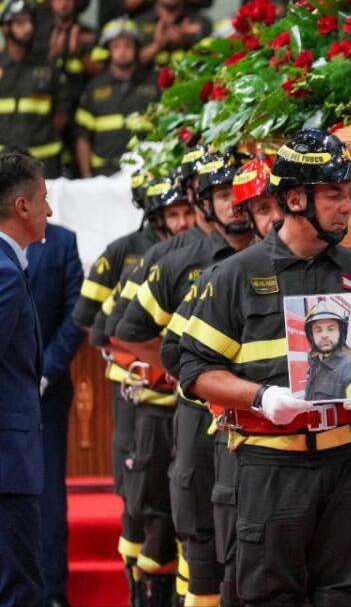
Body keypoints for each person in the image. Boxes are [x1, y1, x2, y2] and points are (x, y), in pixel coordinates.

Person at [177, 129, 351, 605]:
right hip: (271, 466)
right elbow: (194, 370)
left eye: (349, 194)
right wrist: (261, 397)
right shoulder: (234, 276)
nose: (348, 206)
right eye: (334, 195)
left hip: (350, 465)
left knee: (347, 595)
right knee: (267, 596)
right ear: (294, 198)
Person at [116, 151, 255, 607]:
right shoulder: (177, 260)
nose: (235, 204)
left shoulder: (274, 255)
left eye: (240, 194)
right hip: (198, 420)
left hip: (261, 422)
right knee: (198, 534)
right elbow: (130, 331)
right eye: (222, 195)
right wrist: (193, 375)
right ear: (204, 202)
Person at [72, 173, 190, 598]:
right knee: (141, 501)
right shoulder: (132, 256)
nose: (181, 222)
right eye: (172, 214)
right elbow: (98, 323)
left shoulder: (205, 258)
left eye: (187, 212)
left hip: (190, 404)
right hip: (141, 397)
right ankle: (141, 588)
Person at [0, 150, 52, 606]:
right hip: (6, 466)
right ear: (22, 207)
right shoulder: (4, 272)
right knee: (19, 589)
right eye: (44, 199)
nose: (49, 211)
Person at [27, 213, 80, 607]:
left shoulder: (62, 242)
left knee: (47, 492)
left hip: (48, 389)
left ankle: (51, 591)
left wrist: (45, 371)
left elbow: (76, 314)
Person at [74, 19, 157, 177]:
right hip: (104, 175)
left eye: (127, 45)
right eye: (116, 46)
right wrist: (86, 175)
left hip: (145, 171)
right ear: (108, 50)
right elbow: (82, 136)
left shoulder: (153, 85)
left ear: (136, 48)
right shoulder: (95, 88)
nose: (122, 51)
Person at [0, 0, 62, 177]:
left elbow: (61, 112)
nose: (28, 28)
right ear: (5, 27)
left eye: (30, 22)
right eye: (20, 22)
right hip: (3, 162)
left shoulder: (47, 66)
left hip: (44, 162)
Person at [39, 0, 97, 153]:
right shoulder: (39, 35)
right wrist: (51, 58)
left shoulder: (89, 34)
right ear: (50, 1)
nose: (64, 3)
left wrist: (79, 54)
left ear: (77, 1)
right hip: (48, 112)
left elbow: (101, 75)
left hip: (82, 108)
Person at [129, 0, 212, 69]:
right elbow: (128, 67)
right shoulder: (137, 24)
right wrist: (158, 45)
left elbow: (211, 63)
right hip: (148, 84)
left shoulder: (201, 23)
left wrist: (186, 43)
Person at [302, 300, 351, 402]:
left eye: (331, 329)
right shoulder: (314, 366)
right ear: (311, 336)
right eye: (318, 330)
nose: (324, 335)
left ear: (340, 333)